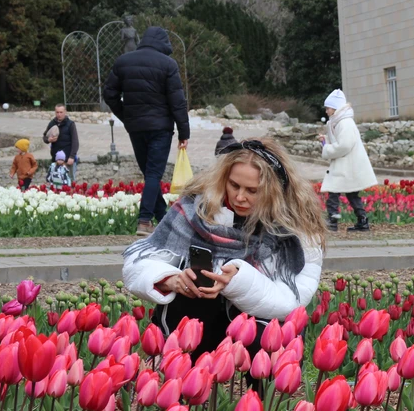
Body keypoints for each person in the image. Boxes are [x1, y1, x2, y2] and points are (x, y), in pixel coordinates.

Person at [121, 138, 326, 359]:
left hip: (255, 324)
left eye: (252, 190)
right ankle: (181, 379)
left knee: (271, 338)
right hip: (204, 318)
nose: (240, 197)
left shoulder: (297, 230)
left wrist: (236, 281)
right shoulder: (195, 210)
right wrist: (169, 279)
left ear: (273, 190)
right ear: (223, 179)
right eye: (234, 185)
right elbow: (139, 262)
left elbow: (292, 300)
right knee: (188, 305)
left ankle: (262, 392)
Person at [104, 26, 191, 237]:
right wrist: (184, 132)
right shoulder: (168, 64)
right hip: (160, 128)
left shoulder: (124, 61)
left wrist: (125, 115)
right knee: (153, 174)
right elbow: (177, 101)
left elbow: (109, 93)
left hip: (136, 128)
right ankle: (144, 221)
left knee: (149, 174)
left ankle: (163, 220)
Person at [319, 89, 377, 232]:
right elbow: (341, 143)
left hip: (346, 164)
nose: (326, 111)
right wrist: (325, 142)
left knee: (334, 190)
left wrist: (327, 148)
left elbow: (344, 145)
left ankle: (333, 219)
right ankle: (362, 220)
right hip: (348, 164)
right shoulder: (339, 121)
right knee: (351, 193)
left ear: (335, 108)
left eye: (328, 108)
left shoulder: (344, 123)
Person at [44, 104, 79, 183]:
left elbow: (75, 141)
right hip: (55, 159)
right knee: (56, 182)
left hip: (68, 159)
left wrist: (72, 156)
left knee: (69, 181)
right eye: (57, 112)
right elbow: (44, 137)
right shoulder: (52, 123)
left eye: (61, 112)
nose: (59, 114)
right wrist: (48, 139)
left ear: (65, 112)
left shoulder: (71, 124)